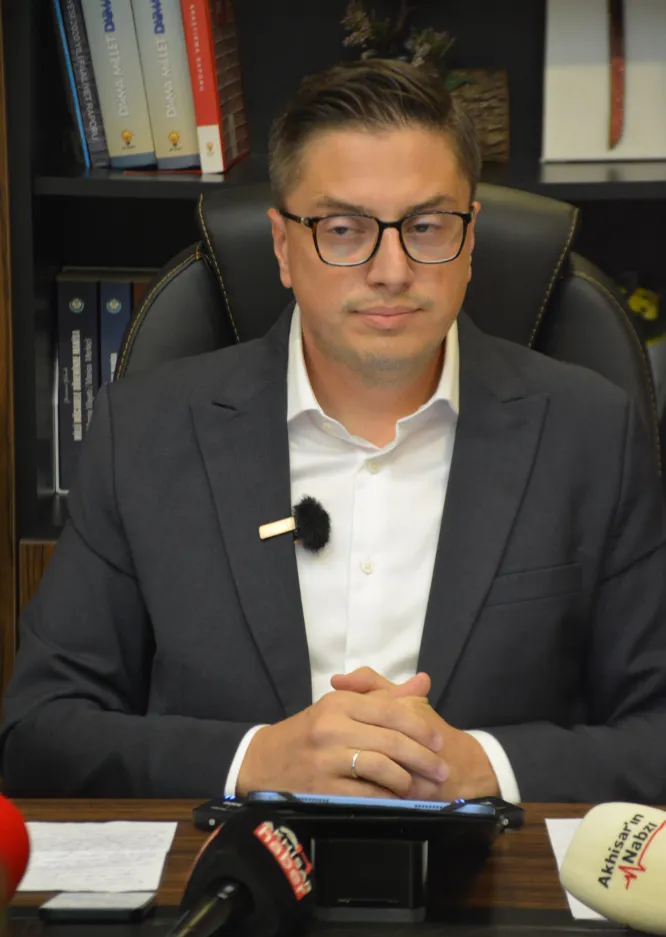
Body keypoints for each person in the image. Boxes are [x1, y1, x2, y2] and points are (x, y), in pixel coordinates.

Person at [2, 59, 666, 804]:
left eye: (427, 227)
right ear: (283, 247)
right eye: (345, 230)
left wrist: (480, 765)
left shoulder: (591, 433)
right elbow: (39, 734)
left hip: (494, 870)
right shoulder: (145, 433)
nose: (391, 270)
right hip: (232, 862)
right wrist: (256, 760)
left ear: (471, 239)